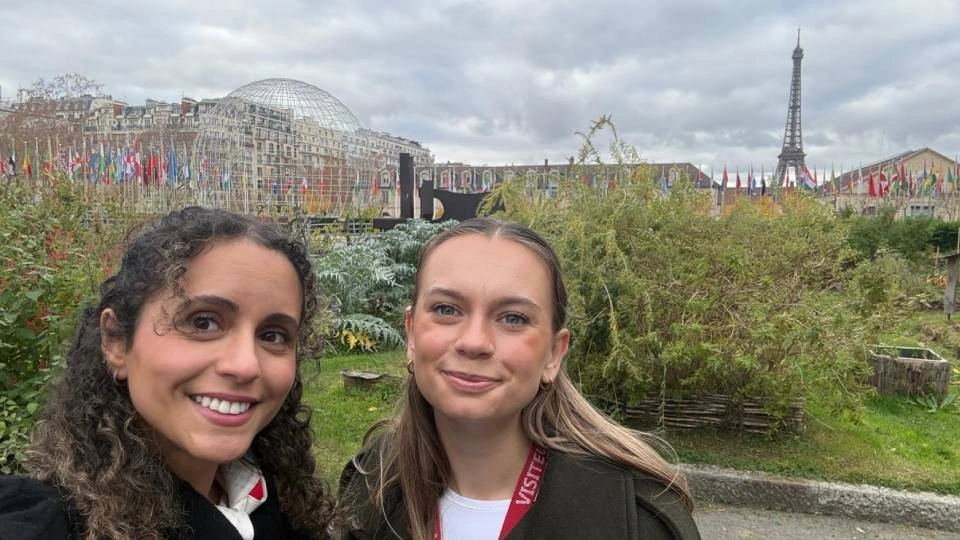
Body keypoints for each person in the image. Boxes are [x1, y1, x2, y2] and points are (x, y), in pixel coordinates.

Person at [338, 217, 700, 540]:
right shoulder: (371, 482)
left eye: (513, 318)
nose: (475, 342)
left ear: (554, 354)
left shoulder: (637, 521)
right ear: (412, 334)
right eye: (446, 309)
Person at [0, 207, 334, 539]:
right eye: (203, 322)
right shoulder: (52, 525)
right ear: (116, 342)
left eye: (273, 335)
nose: (246, 365)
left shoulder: (282, 497)